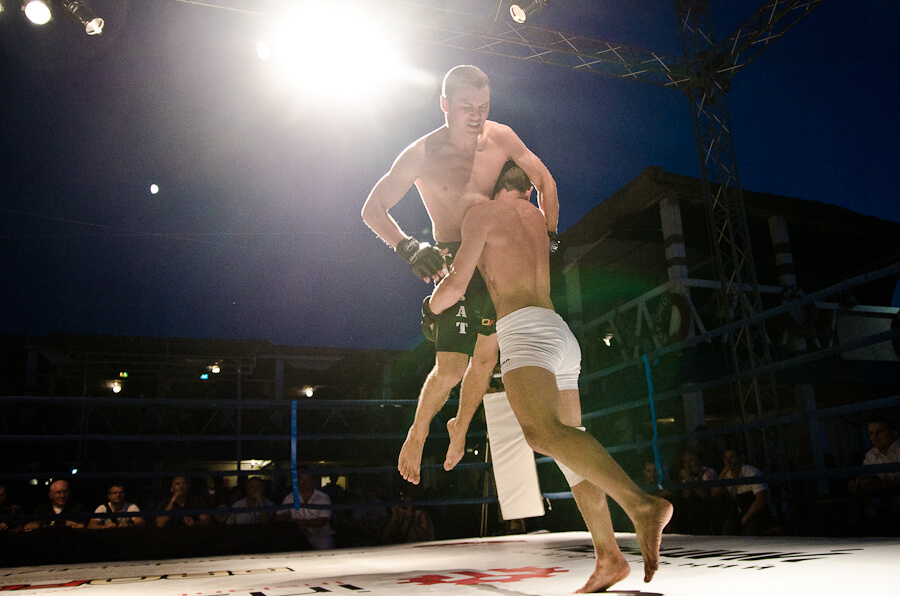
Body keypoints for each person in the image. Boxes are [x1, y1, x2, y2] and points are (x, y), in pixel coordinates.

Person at [424, 163, 672, 590]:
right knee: (572, 452)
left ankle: (640, 504)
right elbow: (549, 185)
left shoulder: (482, 214)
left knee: (541, 434)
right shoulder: (538, 218)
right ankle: (608, 556)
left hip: (525, 334)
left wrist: (431, 306)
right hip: (559, 333)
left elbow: (456, 286)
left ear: (494, 184)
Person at [361, 65, 559, 484]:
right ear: (445, 105)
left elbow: (544, 179)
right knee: (451, 368)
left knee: (486, 358)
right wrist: (408, 247)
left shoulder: (501, 136)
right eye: (467, 106)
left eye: (483, 106)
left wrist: (551, 233)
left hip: (494, 252)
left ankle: (460, 427)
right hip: (454, 255)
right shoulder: (421, 153)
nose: (477, 115)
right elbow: (372, 209)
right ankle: (418, 432)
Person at [711, 448, 777, 536]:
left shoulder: (752, 473)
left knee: (749, 529)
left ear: (739, 458)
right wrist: (722, 474)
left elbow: (761, 500)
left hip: (760, 513)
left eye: (732, 457)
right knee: (728, 525)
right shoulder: (727, 475)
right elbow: (714, 493)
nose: (729, 461)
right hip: (741, 511)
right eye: (726, 458)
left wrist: (746, 517)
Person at [279, 473, 334, 550]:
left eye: (307, 478)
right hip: (299, 536)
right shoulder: (290, 497)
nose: (304, 482)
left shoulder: (323, 497)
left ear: (312, 480)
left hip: (321, 537)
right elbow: (279, 516)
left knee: (325, 547)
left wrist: (300, 522)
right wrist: (286, 520)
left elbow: (323, 521)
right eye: (301, 478)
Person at [848, 417, 900, 494]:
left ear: (894, 434)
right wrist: (858, 482)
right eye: (871, 433)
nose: (875, 437)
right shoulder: (871, 454)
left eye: (880, 431)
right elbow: (865, 473)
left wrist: (880, 485)